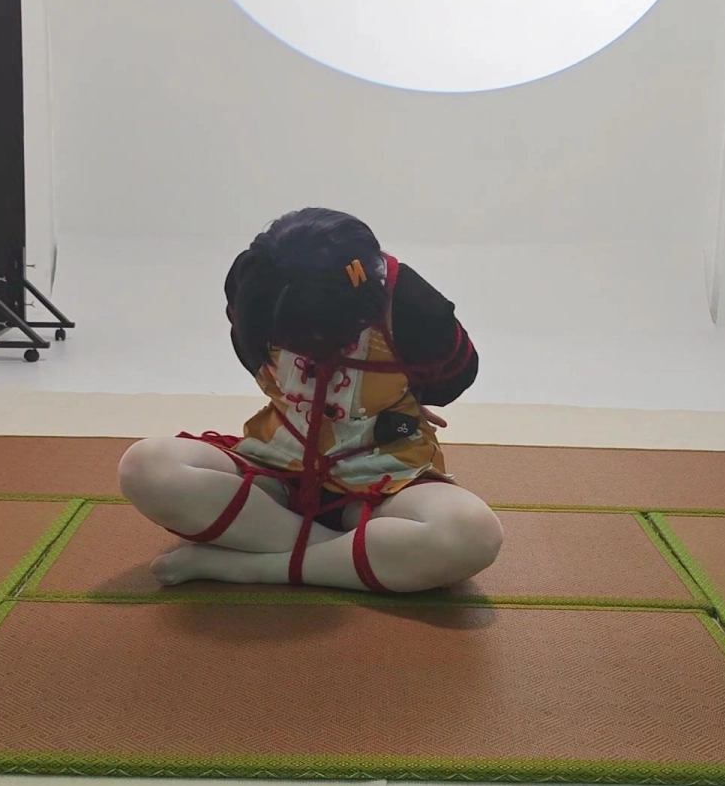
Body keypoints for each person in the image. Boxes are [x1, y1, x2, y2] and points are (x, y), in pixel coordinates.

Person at [118, 208, 504, 593]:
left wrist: (403, 398)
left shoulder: (414, 306)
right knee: (146, 466)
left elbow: (453, 378)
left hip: (384, 473)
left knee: (473, 533)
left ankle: (255, 564)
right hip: (275, 463)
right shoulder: (255, 285)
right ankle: (344, 555)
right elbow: (251, 351)